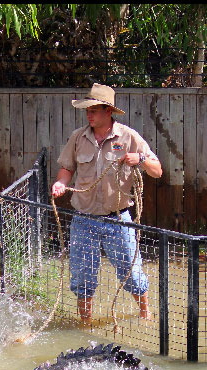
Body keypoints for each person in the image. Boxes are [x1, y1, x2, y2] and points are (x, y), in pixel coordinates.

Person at [51, 83, 163, 326]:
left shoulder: (128, 136)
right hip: (84, 219)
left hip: (118, 219)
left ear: (108, 111)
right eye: (87, 110)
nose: (89, 114)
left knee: (131, 273)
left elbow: (157, 171)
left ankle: (145, 315)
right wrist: (60, 184)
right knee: (82, 276)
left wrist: (141, 159)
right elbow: (66, 168)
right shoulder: (78, 137)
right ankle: (85, 323)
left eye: (94, 110)